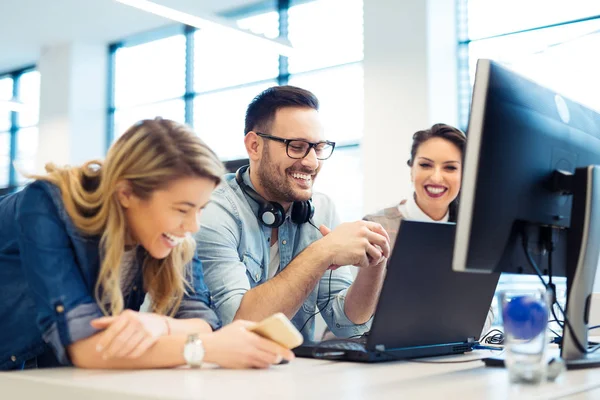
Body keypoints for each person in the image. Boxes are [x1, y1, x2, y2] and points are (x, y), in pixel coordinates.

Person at [0, 118, 294, 370]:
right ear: (126, 193)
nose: (192, 227)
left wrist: (161, 325)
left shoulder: (171, 235)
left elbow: (202, 319)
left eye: (200, 209)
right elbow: (85, 347)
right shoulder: (46, 205)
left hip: (51, 376)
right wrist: (205, 349)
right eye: (181, 209)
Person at [195, 86, 391, 341]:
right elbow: (240, 326)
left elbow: (346, 324)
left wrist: (375, 263)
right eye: (296, 147)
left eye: (318, 148)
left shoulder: (322, 208)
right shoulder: (212, 210)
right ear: (254, 146)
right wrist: (322, 251)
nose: (312, 162)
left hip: (294, 373)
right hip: (224, 373)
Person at [364, 123, 495, 332]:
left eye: (450, 167)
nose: (436, 177)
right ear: (411, 169)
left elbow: (485, 312)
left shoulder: (473, 233)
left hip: (448, 350)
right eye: (425, 165)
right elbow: (357, 316)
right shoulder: (377, 227)